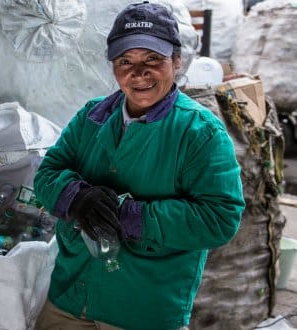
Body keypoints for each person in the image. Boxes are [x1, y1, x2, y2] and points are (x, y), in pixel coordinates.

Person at [32, 2, 245, 329]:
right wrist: (77, 199)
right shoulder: (92, 117)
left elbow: (219, 218)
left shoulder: (200, 133)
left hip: (143, 308)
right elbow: (47, 174)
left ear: (176, 61)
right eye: (125, 62)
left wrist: (131, 217)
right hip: (72, 296)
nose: (138, 73)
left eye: (152, 60)